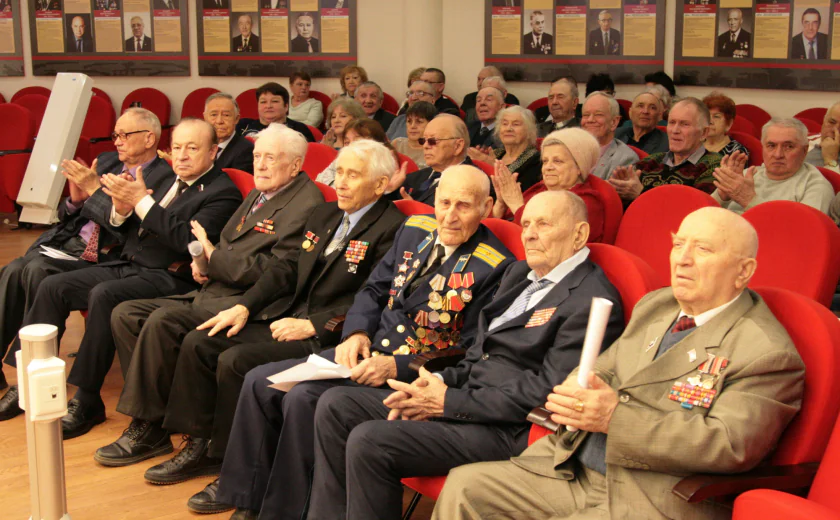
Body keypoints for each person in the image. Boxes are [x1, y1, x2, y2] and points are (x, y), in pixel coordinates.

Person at [433, 207, 806, 520]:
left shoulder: (765, 352)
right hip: (573, 466)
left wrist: (614, 418)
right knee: (465, 487)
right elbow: (604, 370)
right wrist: (578, 388)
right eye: (678, 244)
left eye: (703, 249)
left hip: (653, 495)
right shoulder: (657, 305)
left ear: (743, 271)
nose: (683, 259)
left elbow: (729, 445)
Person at [215, 165, 515, 520]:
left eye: (463, 206)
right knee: (259, 381)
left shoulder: (495, 266)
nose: (449, 216)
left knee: (303, 397)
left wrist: (397, 366)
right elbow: (374, 290)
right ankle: (248, 500)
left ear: (486, 207)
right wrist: (356, 332)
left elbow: (467, 351)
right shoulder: (415, 229)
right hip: (365, 351)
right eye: (444, 202)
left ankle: (286, 511)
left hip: (408, 373)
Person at [308, 190, 625, 520]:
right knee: (336, 405)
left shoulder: (591, 301)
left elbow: (548, 392)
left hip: (507, 428)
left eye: (543, 224)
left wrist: (448, 402)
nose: (529, 234)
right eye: (526, 224)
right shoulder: (520, 275)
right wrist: (435, 382)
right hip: (463, 397)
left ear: (579, 234)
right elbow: (477, 354)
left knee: (371, 441)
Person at [171, 141, 405, 515]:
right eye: (339, 173)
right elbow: (286, 269)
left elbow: (372, 297)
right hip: (287, 316)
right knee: (203, 341)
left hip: (327, 333)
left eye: (353, 175)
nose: (341, 183)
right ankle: (204, 448)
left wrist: (312, 325)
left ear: (380, 184)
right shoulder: (326, 213)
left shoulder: (393, 228)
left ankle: (242, 480)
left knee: (237, 363)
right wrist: (245, 306)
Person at [94, 125, 325, 483]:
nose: (260, 165)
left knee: (165, 322)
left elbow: (274, 271)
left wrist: (214, 260)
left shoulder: (306, 203)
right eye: (257, 156)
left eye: (271, 158)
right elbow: (229, 244)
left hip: (247, 301)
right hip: (215, 288)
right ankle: (155, 420)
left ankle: (172, 432)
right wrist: (203, 263)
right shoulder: (264, 191)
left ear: (295, 165)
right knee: (127, 314)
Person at [5, 119, 243, 439]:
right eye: (177, 147)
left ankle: (87, 399)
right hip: (128, 262)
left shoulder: (222, 192)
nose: (182, 155)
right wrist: (119, 209)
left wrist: (141, 202)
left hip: (172, 275)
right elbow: (127, 227)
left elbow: (187, 242)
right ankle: (30, 382)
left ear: (213, 152)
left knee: (104, 294)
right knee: (52, 287)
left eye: (192, 148)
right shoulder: (168, 180)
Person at [0, 109, 171, 418]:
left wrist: (93, 191)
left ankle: (36, 375)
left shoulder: (162, 177)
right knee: (13, 270)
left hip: (104, 253)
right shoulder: (106, 162)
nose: (117, 141)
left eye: (125, 135)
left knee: (38, 272)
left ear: (149, 138)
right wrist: (75, 201)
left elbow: (127, 231)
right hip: (69, 243)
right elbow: (70, 216)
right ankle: (21, 372)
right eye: (115, 134)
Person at [493, 128, 606, 243]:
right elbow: (495, 230)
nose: (548, 167)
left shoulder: (586, 203)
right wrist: (501, 204)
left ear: (579, 168)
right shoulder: (539, 189)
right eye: (545, 161)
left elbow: (550, 244)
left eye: (557, 161)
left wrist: (517, 206)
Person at [610, 98, 722, 204]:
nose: (675, 130)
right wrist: (619, 188)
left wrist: (640, 193)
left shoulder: (715, 167)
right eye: (672, 122)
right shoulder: (650, 161)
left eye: (685, 124)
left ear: (704, 133)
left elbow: (695, 210)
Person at [713, 118, 833, 214]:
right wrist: (723, 195)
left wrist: (749, 200)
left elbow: (804, 230)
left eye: (788, 146)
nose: (778, 154)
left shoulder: (816, 186)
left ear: (804, 150)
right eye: (771, 146)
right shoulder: (746, 175)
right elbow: (704, 213)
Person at [388, 114, 473, 205]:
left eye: (433, 141)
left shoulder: (471, 184)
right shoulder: (413, 177)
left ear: (457, 146)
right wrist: (389, 190)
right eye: (423, 141)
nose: (425, 146)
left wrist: (415, 210)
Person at [471, 106, 542, 193]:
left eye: (516, 124)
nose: (508, 129)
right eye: (504, 124)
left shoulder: (536, 160)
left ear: (529, 131)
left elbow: (521, 192)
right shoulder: (496, 153)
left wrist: (490, 166)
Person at [317, 118, 395, 186]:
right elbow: (319, 178)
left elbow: (353, 191)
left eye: (358, 142)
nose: (351, 146)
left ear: (377, 143)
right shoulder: (344, 158)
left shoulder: (381, 165)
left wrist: (331, 186)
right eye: (347, 142)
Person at [581, 92, 638, 180]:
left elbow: (607, 189)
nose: (590, 120)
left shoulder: (625, 159)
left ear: (614, 122)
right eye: (586, 115)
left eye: (598, 114)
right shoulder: (569, 149)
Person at [235, 82, 315, 142]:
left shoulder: (299, 130)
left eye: (275, 101)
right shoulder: (243, 126)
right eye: (263, 102)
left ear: (286, 106)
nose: (268, 106)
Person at [204, 93, 254, 174]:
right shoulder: (197, 145)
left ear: (236, 119)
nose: (219, 121)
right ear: (205, 118)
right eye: (214, 115)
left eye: (226, 115)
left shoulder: (246, 151)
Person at [615, 89, 669, 155]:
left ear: (659, 115)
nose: (645, 111)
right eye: (640, 106)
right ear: (630, 112)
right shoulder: (616, 135)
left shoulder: (666, 144)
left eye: (652, 108)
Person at [702, 92, 750, 165]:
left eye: (716, 116)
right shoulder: (693, 144)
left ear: (728, 123)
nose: (710, 121)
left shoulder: (737, 152)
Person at [391, 101, 437, 170]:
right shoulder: (397, 144)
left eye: (419, 121)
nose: (412, 126)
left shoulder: (434, 149)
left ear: (431, 123)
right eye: (409, 121)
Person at [466, 86, 505, 150]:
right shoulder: (467, 128)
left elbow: (502, 153)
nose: (482, 103)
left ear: (501, 107)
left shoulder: (506, 132)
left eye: (489, 99)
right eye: (478, 100)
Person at [806, 101, 840, 171]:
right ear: (823, 121)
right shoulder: (804, 143)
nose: (835, 130)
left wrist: (831, 159)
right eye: (831, 122)